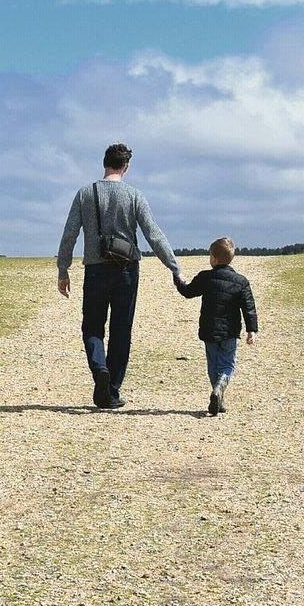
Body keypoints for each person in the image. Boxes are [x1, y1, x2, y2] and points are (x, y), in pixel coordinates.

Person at [57, 143, 183, 409]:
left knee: (92, 326)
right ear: (126, 166)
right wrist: (174, 267)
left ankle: (99, 368)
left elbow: (70, 233)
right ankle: (111, 390)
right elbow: (153, 234)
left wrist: (63, 268)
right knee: (121, 330)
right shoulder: (135, 195)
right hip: (126, 270)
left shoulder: (85, 194)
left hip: (95, 269)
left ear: (104, 163)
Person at [173, 236, 259, 416]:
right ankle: (220, 390)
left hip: (209, 330)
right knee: (227, 364)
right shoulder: (241, 282)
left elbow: (188, 292)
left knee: (213, 365)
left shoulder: (205, 277)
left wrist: (178, 278)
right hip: (229, 331)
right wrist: (251, 329)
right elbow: (249, 307)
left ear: (214, 258)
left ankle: (218, 393)